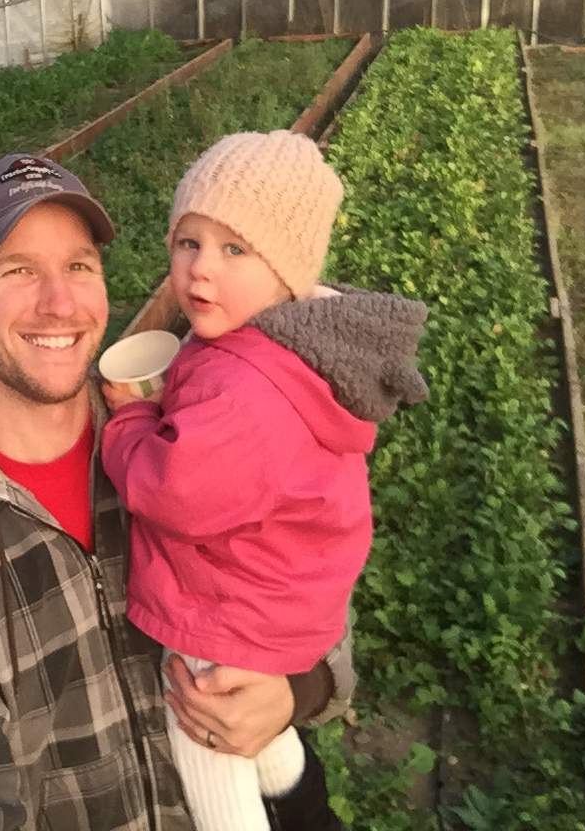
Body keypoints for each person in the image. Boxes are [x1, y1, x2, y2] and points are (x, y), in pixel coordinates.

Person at [0, 153, 356, 831]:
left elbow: (307, 574)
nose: (60, 302)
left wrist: (297, 690)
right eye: (20, 270)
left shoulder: (179, 438)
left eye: (79, 266)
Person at [100, 130, 430, 831]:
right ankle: (288, 783)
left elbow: (176, 491)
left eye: (233, 249)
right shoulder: (283, 345)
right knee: (265, 744)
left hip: (230, 604)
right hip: (288, 595)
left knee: (202, 736)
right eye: (188, 242)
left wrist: (129, 424)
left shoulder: (245, 386)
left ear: (287, 271)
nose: (200, 272)